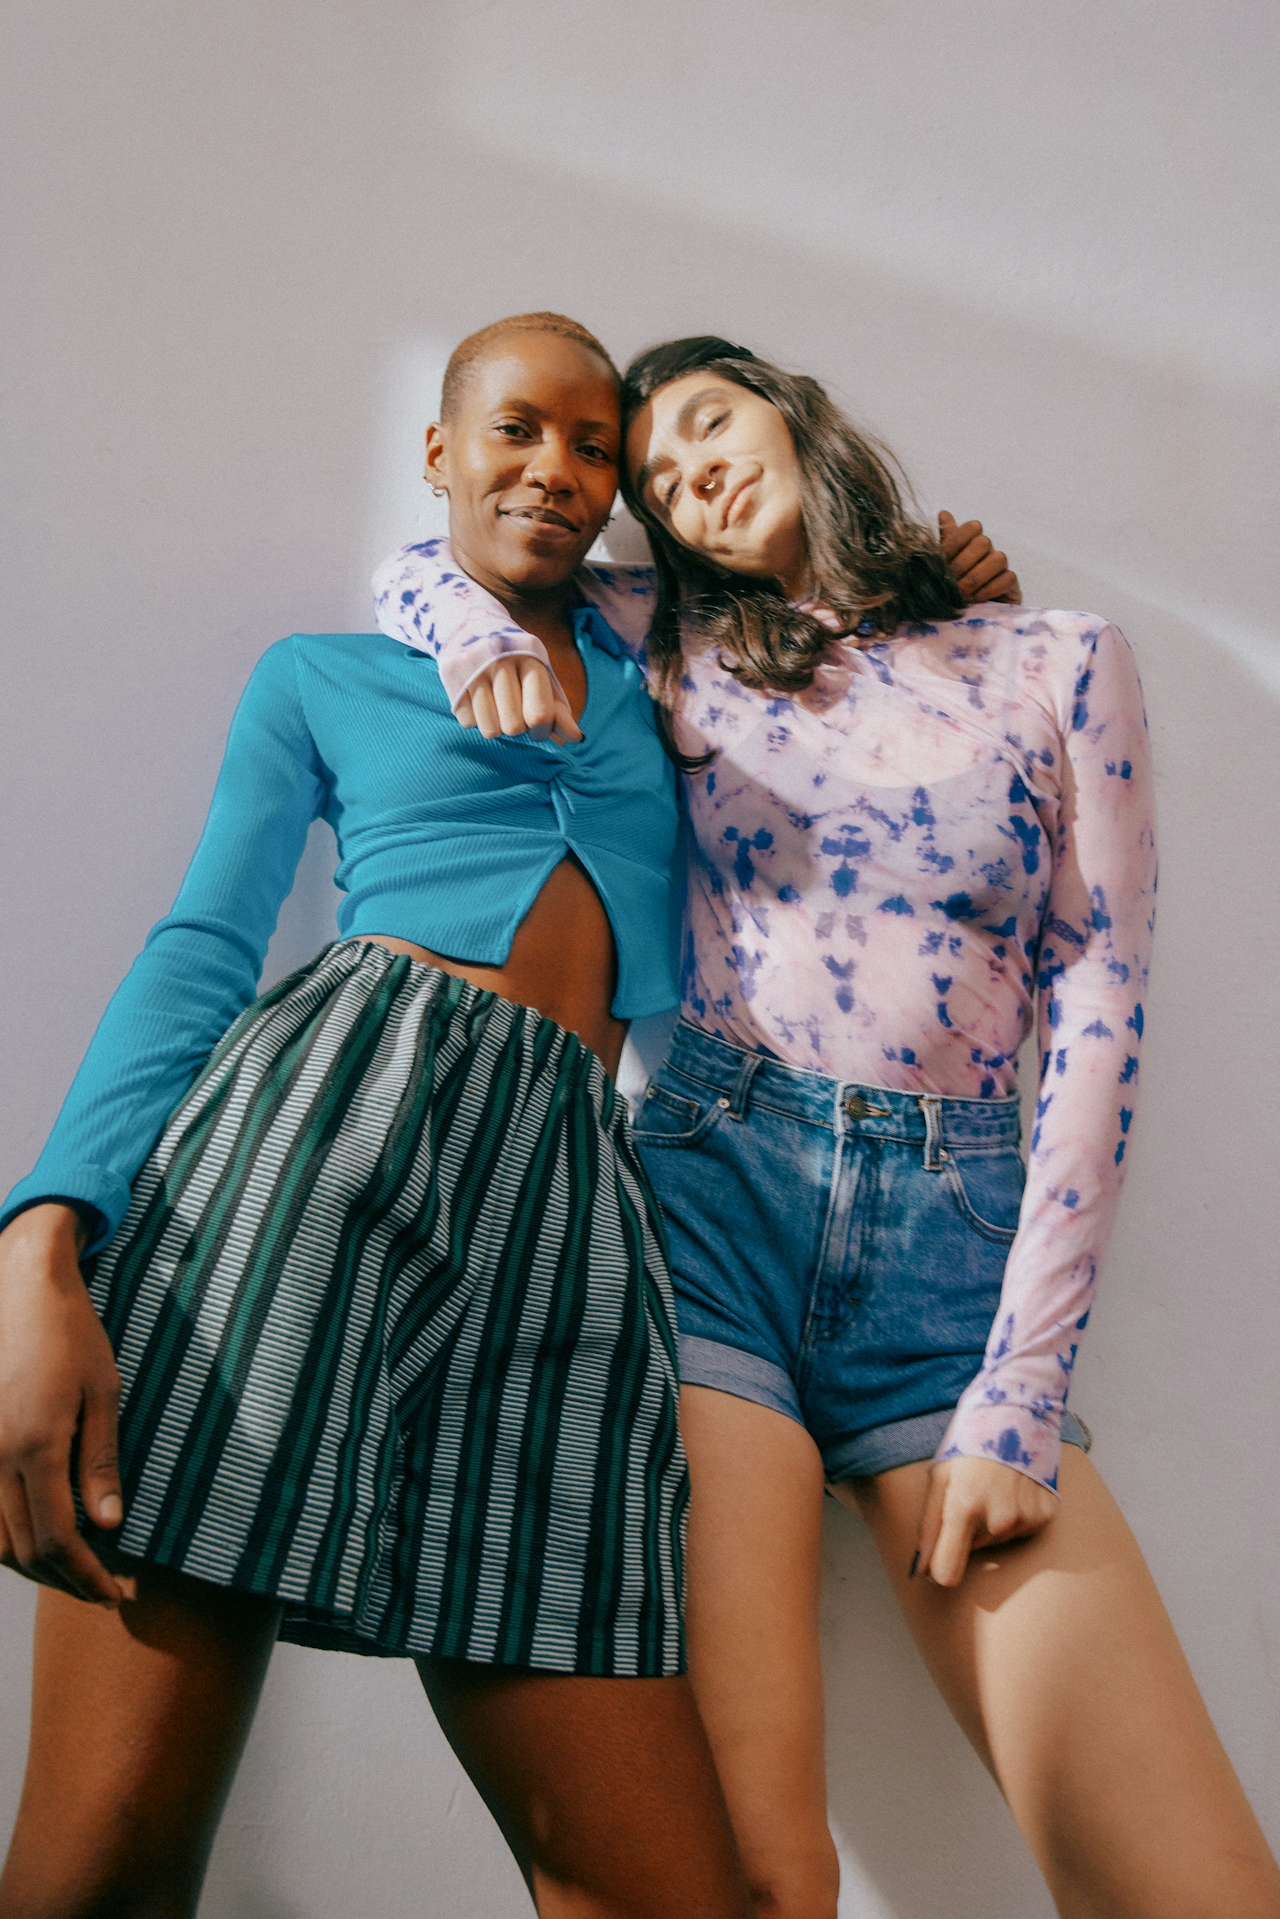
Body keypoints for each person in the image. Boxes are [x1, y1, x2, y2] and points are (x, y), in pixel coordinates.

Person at [384, 335, 1280, 1919]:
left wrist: (1023, 1388)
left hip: (955, 1258)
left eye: (710, 425)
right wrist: (467, 636)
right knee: (753, 1877)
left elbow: (1100, 1015)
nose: (694, 474)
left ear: (792, 416)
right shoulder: (661, 641)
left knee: (1196, 1888)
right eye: (660, 481)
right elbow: (428, 568)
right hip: (709, 1216)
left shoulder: (1059, 658)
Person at [0, 314, 760, 1919]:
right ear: (439, 452)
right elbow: (205, 943)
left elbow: (825, 624)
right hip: (308, 1165)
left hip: (568, 1218)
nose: (555, 469)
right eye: (515, 429)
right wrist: (39, 1244)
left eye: (594, 446)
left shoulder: (671, 690)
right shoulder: (327, 675)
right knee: (102, 1872)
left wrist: (943, 576)